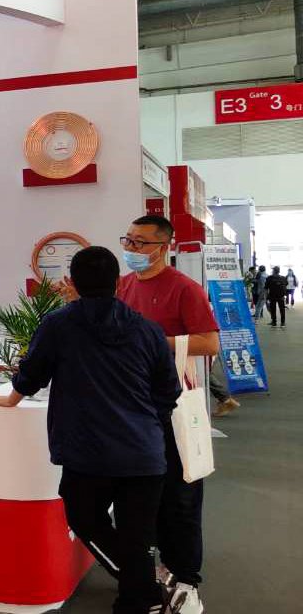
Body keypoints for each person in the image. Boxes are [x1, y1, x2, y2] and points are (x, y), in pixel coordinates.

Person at [0, 247, 181, 614]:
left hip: (88, 452)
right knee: (136, 536)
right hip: (144, 453)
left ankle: (143, 590)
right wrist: (145, 422)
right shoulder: (148, 330)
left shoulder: (59, 325)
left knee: (85, 519)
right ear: (118, 283)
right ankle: (141, 596)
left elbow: (33, 372)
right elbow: (169, 390)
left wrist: (12, 398)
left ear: (72, 282)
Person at [116, 215, 221, 614]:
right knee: (145, 496)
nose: (132, 249)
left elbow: (209, 343)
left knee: (181, 495)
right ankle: (161, 567)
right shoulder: (125, 285)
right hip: (133, 408)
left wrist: (157, 341)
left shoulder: (184, 289)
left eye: (140, 243)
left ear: (164, 248)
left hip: (174, 408)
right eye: (128, 240)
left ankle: (187, 578)